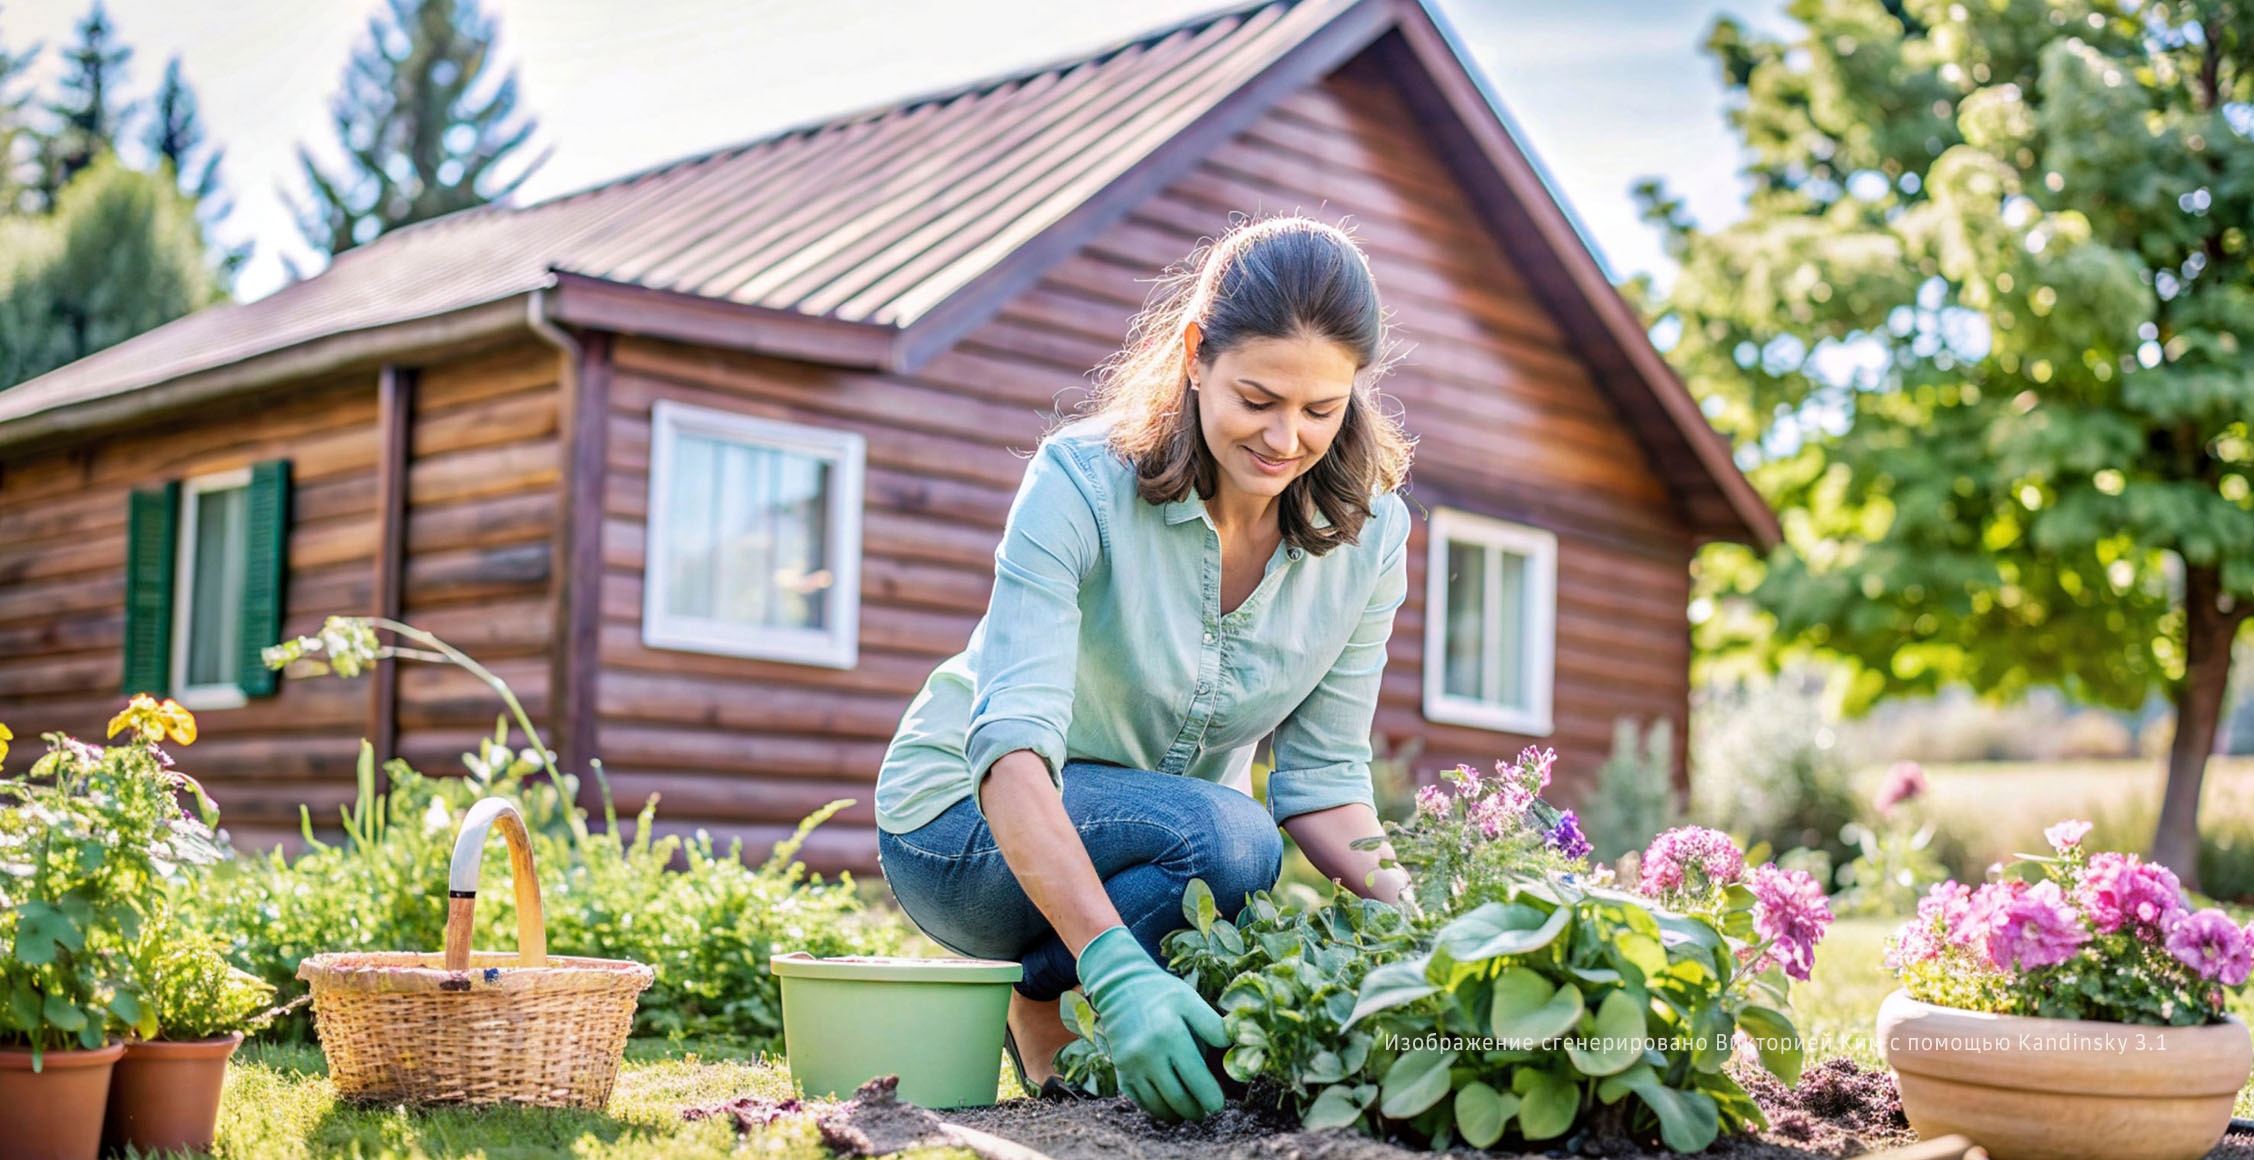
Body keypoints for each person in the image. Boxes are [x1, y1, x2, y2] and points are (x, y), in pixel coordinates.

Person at [874, 214, 1417, 1123]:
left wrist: (1424, 922)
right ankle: (1060, 985)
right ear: (1197, 355)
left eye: (1321, 410)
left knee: (1231, 861)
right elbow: (1011, 752)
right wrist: (1121, 971)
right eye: (1258, 398)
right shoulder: (1080, 483)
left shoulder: (1372, 538)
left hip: (1159, 846)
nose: (1286, 438)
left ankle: (1042, 983)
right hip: (960, 828)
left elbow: (1323, 782)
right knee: (1232, 842)